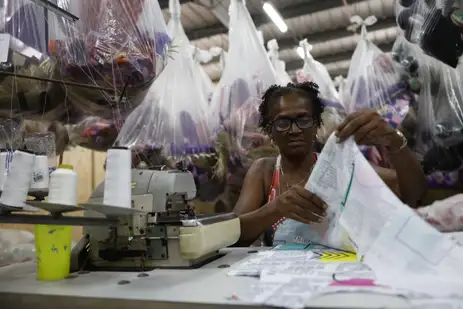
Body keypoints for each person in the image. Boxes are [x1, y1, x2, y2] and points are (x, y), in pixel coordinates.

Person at [234, 82, 427, 246]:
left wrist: (394, 141)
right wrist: (275, 209)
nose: (294, 130)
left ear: (317, 124)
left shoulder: (340, 166)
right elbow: (233, 234)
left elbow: (412, 193)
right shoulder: (264, 171)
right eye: (283, 122)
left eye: (303, 120)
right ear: (270, 131)